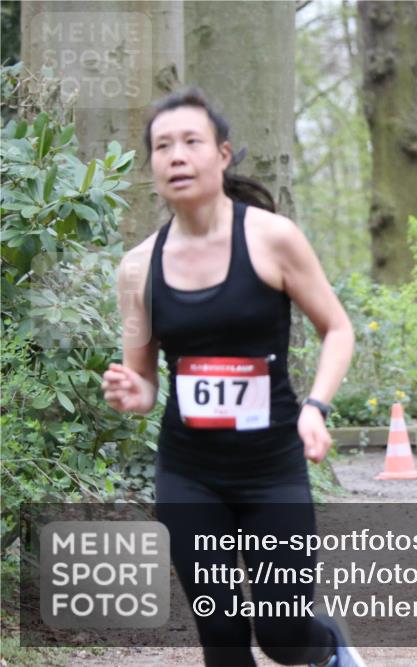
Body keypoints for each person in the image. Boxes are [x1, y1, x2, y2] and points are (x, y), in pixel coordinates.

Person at [101, 88, 363, 667]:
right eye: (162, 146)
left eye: (191, 141)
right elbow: (145, 385)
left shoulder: (272, 238)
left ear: (221, 155)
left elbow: (337, 329)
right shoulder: (138, 266)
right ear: (151, 166)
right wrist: (130, 391)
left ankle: (331, 647)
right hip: (189, 474)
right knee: (222, 640)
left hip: (272, 469)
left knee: (284, 638)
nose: (176, 156)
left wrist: (316, 407)